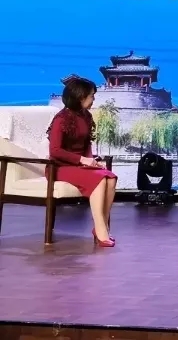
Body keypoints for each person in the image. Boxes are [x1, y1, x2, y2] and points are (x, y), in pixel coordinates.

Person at [47, 77, 118, 247]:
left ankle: (102, 226)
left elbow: (86, 145)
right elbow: (55, 151)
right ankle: (101, 230)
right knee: (99, 179)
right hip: (59, 167)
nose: (93, 99)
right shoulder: (61, 119)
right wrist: (82, 160)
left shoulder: (86, 116)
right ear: (80, 97)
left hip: (79, 166)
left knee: (110, 177)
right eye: (91, 96)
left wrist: (91, 161)